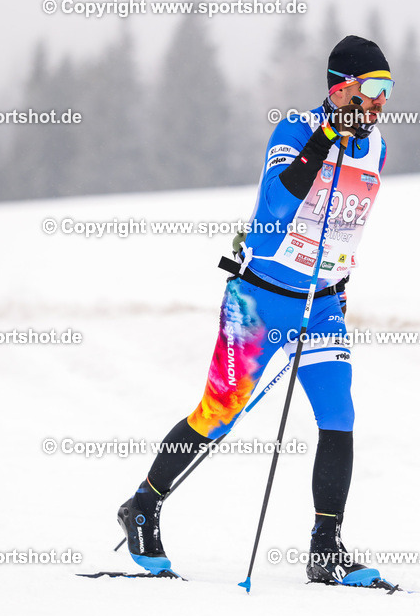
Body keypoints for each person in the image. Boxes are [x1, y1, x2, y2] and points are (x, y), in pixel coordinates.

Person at [118, 35, 393, 586]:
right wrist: (322, 142)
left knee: (338, 414)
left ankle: (325, 547)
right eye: (374, 89)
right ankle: (143, 505)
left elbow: (345, 224)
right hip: (259, 299)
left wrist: (338, 283)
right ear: (343, 88)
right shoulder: (294, 128)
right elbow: (275, 204)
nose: (383, 101)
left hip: (320, 304)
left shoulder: (376, 146)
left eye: (389, 89)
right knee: (220, 412)